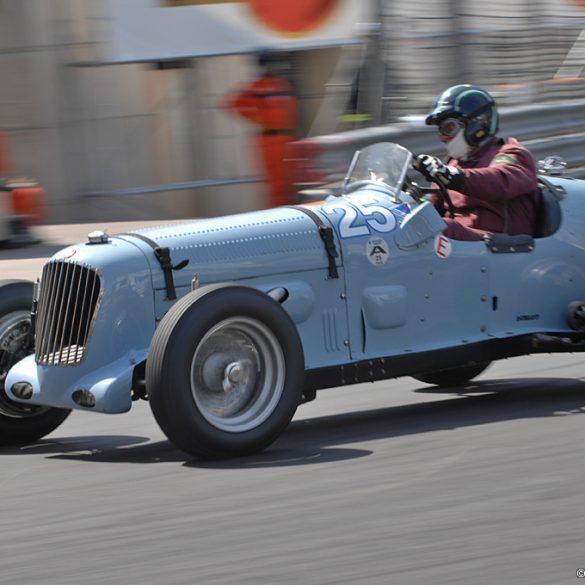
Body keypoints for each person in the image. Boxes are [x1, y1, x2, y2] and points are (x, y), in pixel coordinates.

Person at [412, 84, 540, 241]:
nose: (444, 137)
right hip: (465, 251)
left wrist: (455, 177)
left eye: (449, 128)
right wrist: (412, 199)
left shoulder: (510, 153)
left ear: (477, 123)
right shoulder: (452, 165)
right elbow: (430, 207)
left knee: (443, 229)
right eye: (441, 131)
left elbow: (500, 181)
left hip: (502, 245)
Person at [225, 50, 298, 208]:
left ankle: (289, 210)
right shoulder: (258, 87)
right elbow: (232, 103)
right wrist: (258, 120)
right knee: (276, 181)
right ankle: (279, 214)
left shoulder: (282, 84)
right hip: (270, 138)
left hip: (286, 138)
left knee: (289, 179)